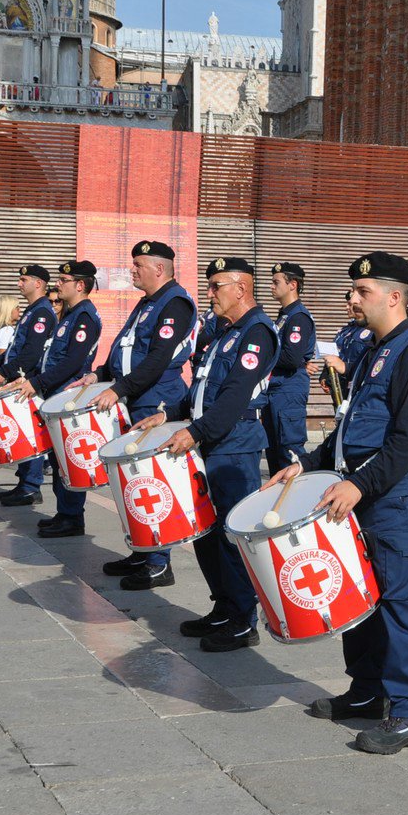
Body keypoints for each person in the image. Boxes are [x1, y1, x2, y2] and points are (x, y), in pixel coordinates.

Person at [274, 252, 408, 754]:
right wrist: (306, 463)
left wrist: (359, 485)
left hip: (390, 495)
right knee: (359, 599)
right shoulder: (373, 349)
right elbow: (352, 425)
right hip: (359, 491)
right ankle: (367, 691)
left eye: (361, 292)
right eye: (352, 290)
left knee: (399, 602)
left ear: (394, 296)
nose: (351, 299)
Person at [137, 256, 276, 652]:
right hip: (209, 442)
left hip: (233, 448)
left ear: (241, 289)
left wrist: (194, 432)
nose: (209, 293)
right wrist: (168, 414)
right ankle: (223, 605)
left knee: (230, 537)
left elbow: (233, 398)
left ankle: (242, 619)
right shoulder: (224, 332)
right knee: (203, 532)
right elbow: (201, 389)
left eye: (216, 286)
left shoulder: (257, 333)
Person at [76, 241, 199, 589]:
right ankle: (144, 548)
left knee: (152, 482)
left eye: (138, 265)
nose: (132, 270)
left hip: (156, 401)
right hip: (137, 399)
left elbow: (158, 360)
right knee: (133, 480)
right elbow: (123, 348)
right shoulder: (148, 303)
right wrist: (101, 374)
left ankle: (160, 563)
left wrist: (118, 389)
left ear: (159, 269)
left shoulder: (174, 303)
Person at [10, 262, 102, 539]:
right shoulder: (69, 315)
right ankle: (65, 513)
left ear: (80, 285)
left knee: (67, 460)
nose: (58, 284)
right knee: (58, 459)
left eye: (64, 280)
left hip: (67, 398)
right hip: (55, 396)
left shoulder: (84, 317)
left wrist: (37, 383)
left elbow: (73, 362)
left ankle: (73, 517)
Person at [0, 266, 57, 505]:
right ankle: (24, 483)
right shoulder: (32, 311)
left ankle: (30, 487)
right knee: (23, 434)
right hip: (20, 379)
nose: (19, 284)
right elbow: (14, 349)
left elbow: (32, 353)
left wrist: (4, 372)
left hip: (30, 382)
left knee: (29, 435)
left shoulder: (42, 313)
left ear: (38, 284)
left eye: (23, 279)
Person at [262, 262, 316, 475]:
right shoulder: (284, 316)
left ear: (292, 285)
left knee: (289, 452)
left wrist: (262, 359)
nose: (271, 286)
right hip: (276, 389)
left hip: (288, 389)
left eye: (276, 282)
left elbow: (291, 358)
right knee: (274, 450)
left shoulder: (298, 317)